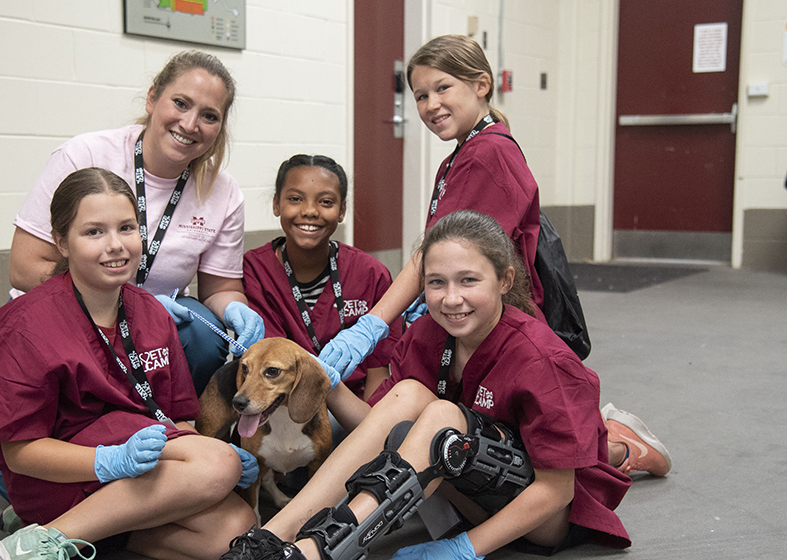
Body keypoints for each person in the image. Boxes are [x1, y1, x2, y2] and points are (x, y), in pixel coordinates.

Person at [219, 210, 672, 560]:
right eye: (435, 283)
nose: (450, 299)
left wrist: (466, 548)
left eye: (468, 280)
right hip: (465, 479)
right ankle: (272, 536)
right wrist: (324, 382)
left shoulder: (544, 360)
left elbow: (557, 490)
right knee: (414, 397)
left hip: (545, 517)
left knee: (440, 414)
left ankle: (316, 550)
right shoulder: (428, 335)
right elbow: (377, 429)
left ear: (505, 280)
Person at [0, 168, 257, 560]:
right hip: (59, 474)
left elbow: (176, 418)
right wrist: (110, 462)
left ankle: (93, 530)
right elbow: (19, 453)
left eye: (126, 228)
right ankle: (36, 544)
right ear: (61, 241)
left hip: (136, 476)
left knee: (234, 529)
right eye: (93, 232)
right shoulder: (25, 325)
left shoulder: (152, 314)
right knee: (218, 464)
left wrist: (195, 454)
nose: (116, 246)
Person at [8, 50, 263, 396]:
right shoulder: (85, 155)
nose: (190, 125)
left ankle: (171, 422)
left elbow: (220, 288)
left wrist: (236, 310)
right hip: (71, 305)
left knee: (203, 336)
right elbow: (24, 267)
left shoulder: (224, 191)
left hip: (161, 314)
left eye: (209, 116)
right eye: (181, 103)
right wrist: (126, 303)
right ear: (152, 97)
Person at [318, 34, 543, 383]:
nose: (431, 104)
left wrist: (373, 323)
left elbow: (436, 252)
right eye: (421, 96)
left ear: (482, 85)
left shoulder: (488, 154)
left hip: (496, 327)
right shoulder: (460, 156)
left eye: (443, 88)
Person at [242, 155, 401, 430]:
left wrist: (369, 430)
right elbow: (266, 367)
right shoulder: (255, 270)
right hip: (282, 411)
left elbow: (379, 374)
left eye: (326, 202)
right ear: (276, 204)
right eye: (295, 199)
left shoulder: (371, 273)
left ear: (342, 211)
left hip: (350, 408)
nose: (310, 211)